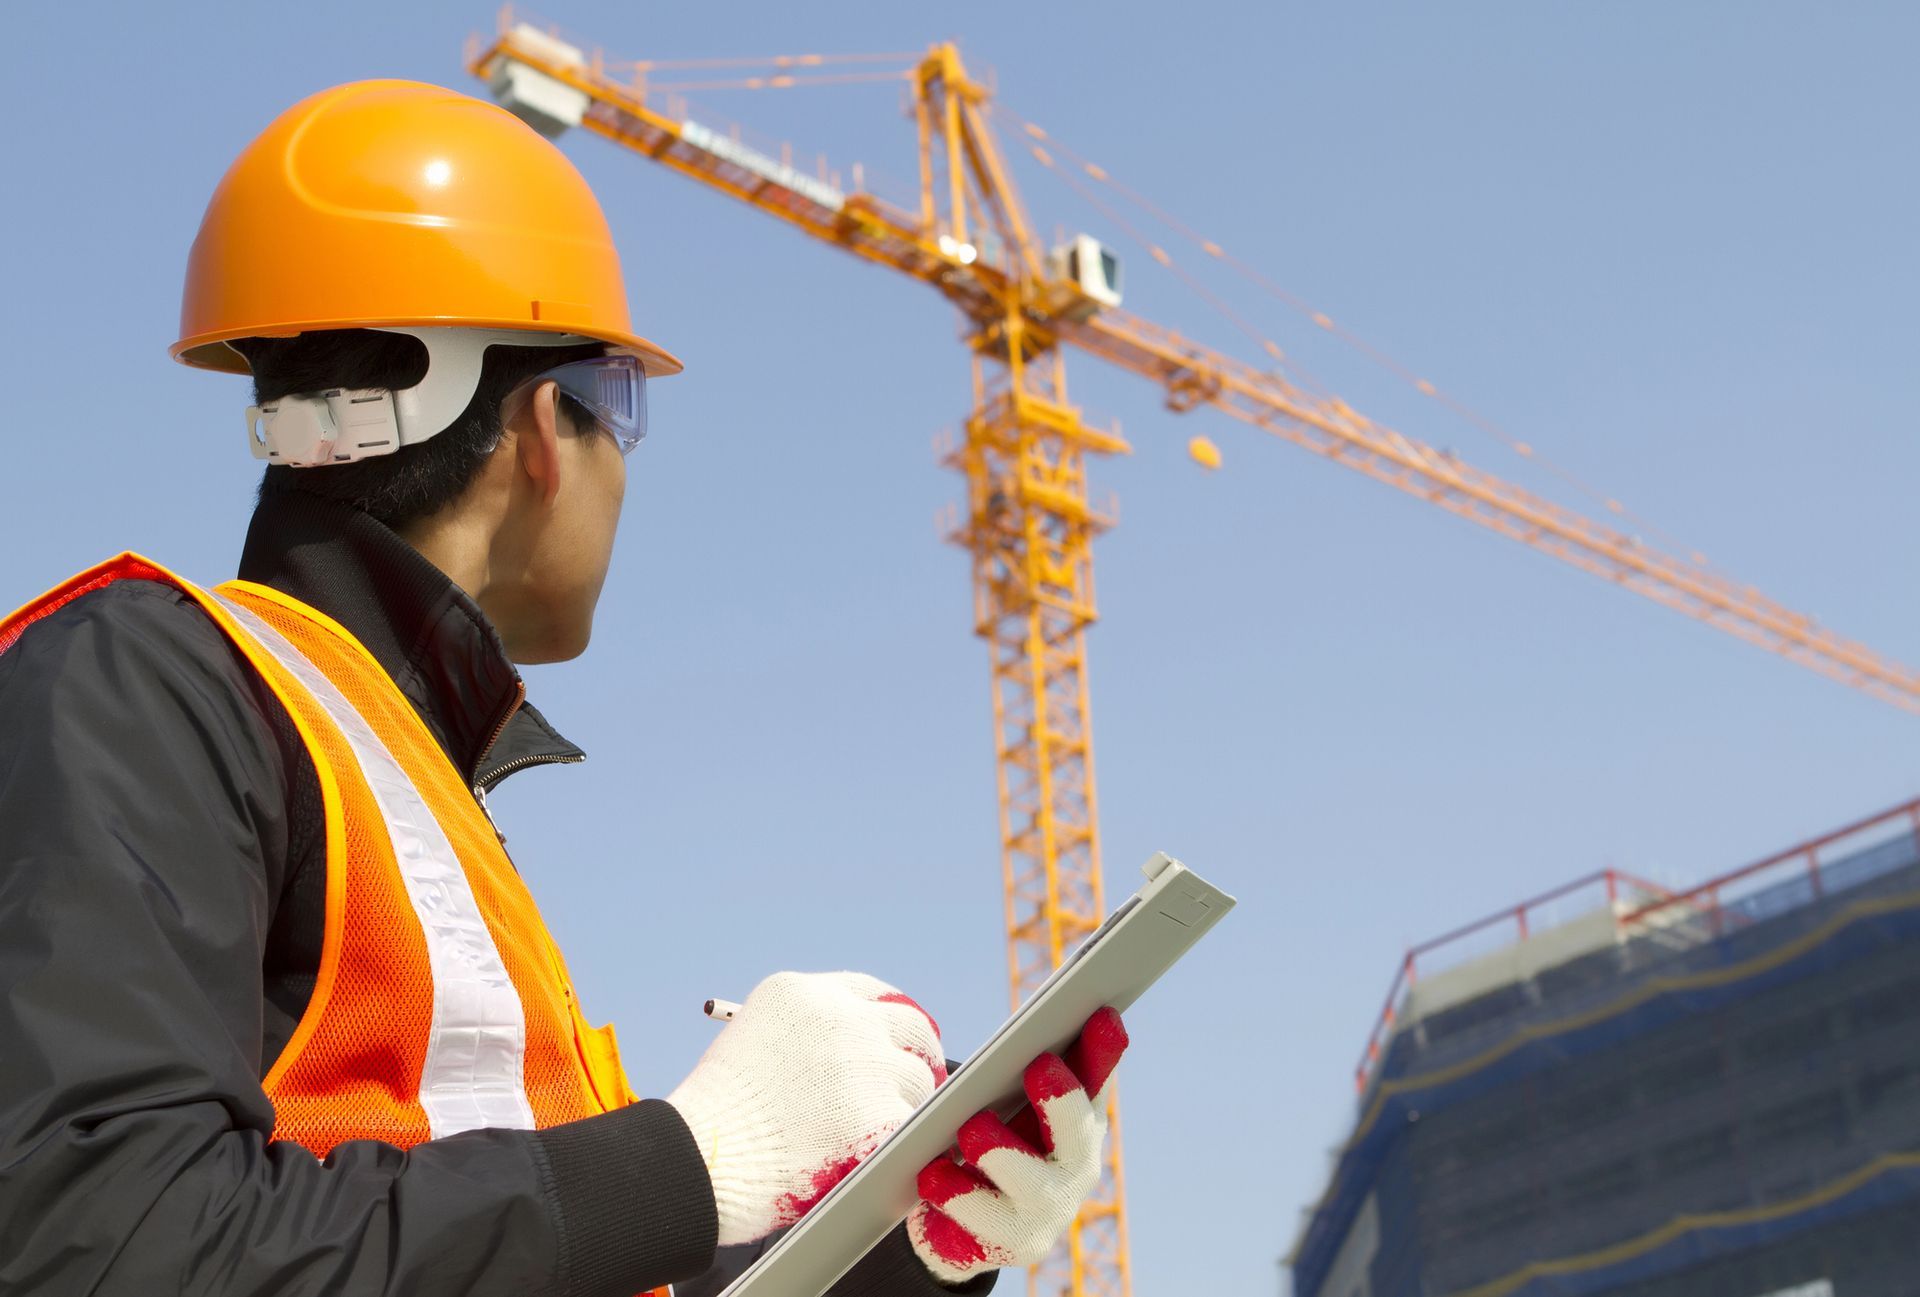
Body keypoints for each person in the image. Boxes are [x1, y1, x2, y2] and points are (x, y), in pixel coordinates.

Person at [0, 79, 1128, 1296]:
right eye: (618, 410)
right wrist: (687, 1163)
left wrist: (895, 1245)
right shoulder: (148, 681)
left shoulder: (402, 790)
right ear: (545, 425)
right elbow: (98, 1239)